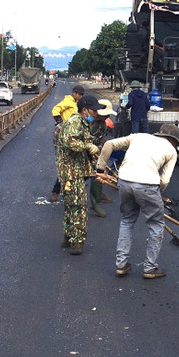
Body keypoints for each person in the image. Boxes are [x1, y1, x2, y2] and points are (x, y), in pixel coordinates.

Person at [96, 123, 179, 279]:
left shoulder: (138, 136)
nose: (176, 145)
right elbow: (164, 180)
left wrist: (100, 169)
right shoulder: (171, 150)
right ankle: (150, 268)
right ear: (172, 139)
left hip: (124, 181)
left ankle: (121, 264)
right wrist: (156, 194)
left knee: (127, 221)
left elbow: (109, 144)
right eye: (177, 142)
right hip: (148, 185)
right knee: (156, 224)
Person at [56, 93, 105, 255]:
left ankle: (68, 236)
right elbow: (69, 142)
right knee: (78, 207)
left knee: (71, 206)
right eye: (93, 111)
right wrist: (87, 146)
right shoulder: (74, 123)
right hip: (72, 173)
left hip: (74, 171)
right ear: (85, 110)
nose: (95, 114)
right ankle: (76, 242)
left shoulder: (82, 123)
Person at [49, 85, 85, 202]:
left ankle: (70, 188)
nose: (80, 97)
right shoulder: (68, 101)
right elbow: (55, 109)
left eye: (81, 95)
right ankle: (56, 191)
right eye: (79, 94)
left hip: (73, 135)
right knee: (65, 164)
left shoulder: (76, 103)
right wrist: (60, 123)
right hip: (64, 135)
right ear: (74, 93)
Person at [87, 98, 117, 217]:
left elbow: (100, 142)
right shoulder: (84, 120)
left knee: (97, 175)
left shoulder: (102, 125)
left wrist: (99, 157)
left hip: (93, 152)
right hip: (77, 152)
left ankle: (95, 203)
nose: (108, 116)